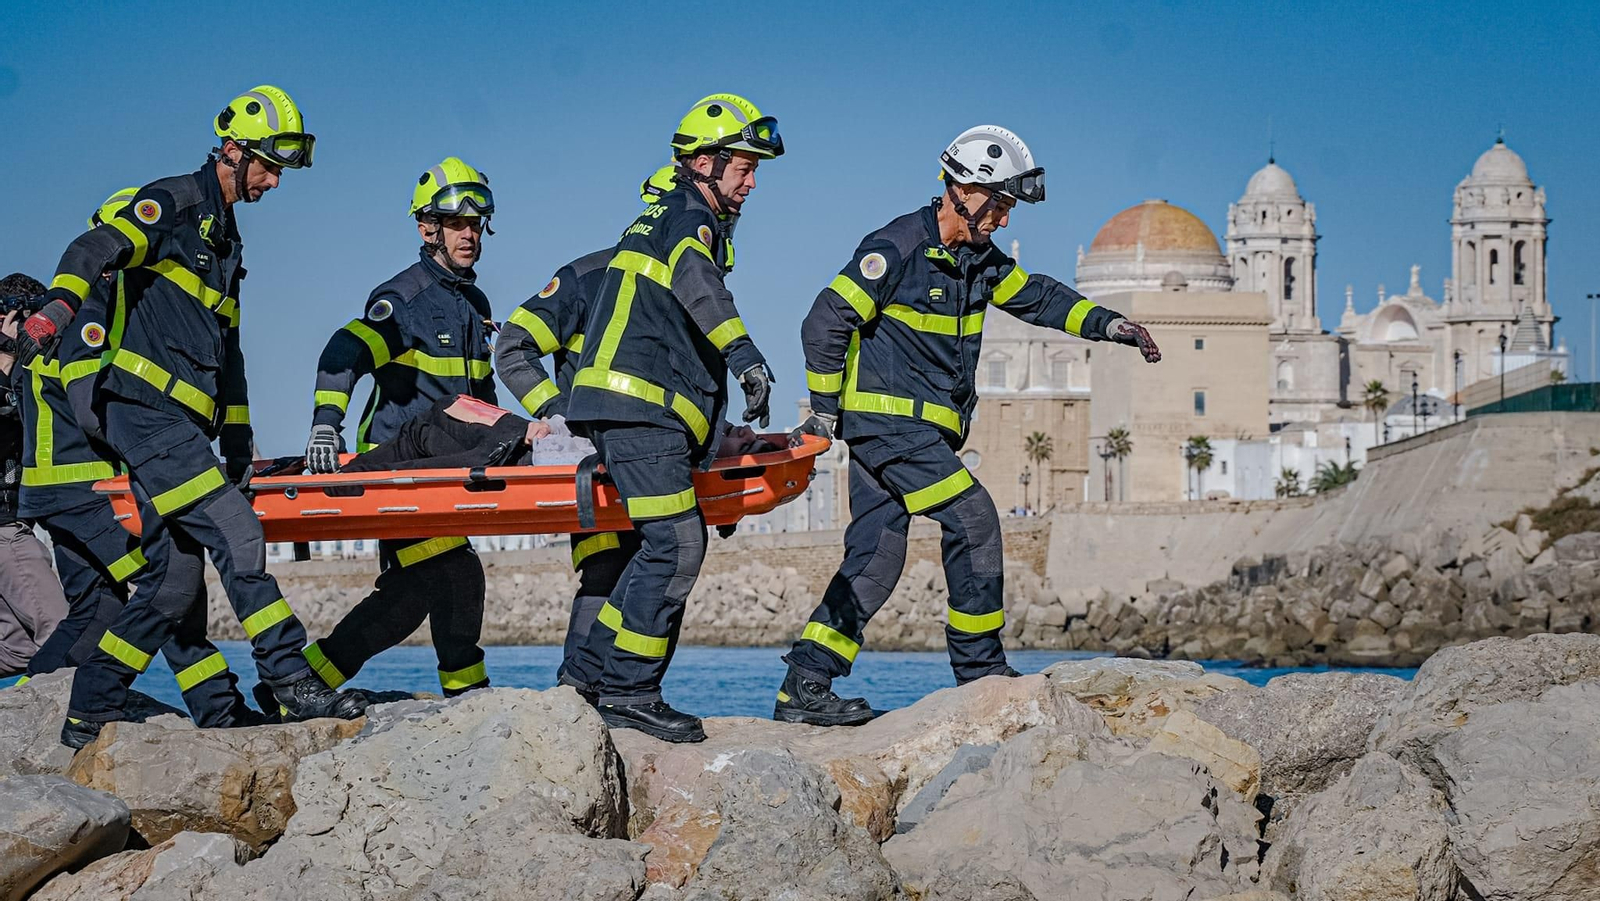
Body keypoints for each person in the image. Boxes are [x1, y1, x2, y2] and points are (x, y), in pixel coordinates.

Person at [776, 125, 1163, 725]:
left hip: (917, 435)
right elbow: (823, 321)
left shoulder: (978, 262)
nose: (1004, 221)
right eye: (1000, 205)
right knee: (974, 519)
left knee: (876, 556)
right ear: (963, 190)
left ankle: (804, 686)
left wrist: (1112, 326)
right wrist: (824, 413)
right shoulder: (897, 247)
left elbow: (1039, 297)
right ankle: (980, 672)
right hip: (888, 428)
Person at [21, 86, 367, 748]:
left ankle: (87, 711)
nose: (273, 181)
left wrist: (239, 444)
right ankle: (292, 680)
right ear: (232, 152)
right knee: (239, 537)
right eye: (267, 166)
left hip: (182, 426)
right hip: (141, 413)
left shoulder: (228, 243)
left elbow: (229, 355)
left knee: (172, 586)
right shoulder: (175, 203)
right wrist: (58, 308)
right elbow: (90, 249)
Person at [563, 94, 782, 742]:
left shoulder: (661, 218)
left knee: (661, 547)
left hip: (633, 412)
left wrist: (717, 436)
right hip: (637, 412)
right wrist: (747, 358)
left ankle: (587, 683)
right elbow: (697, 283)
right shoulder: (690, 218)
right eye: (743, 167)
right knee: (677, 545)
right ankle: (629, 690)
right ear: (705, 163)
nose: (751, 181)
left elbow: (674, 345)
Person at [12, 194, 260, 725]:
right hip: (83, 490)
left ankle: (30, 703)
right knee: (170, 584)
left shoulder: (86, 317)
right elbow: (89, 407)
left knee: (96, 609)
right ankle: (218, 709)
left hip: (59, 494)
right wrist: (149, 449)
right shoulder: (91, 316)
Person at [301, 157, 499, 697]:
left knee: (409, 596)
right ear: (427, 228)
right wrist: (325, 425)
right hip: (397, 468)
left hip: (448, 470)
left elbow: (481, 399)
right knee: (456, 575)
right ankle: (470, 700)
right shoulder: (405, 299)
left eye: (476, 224)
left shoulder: (473, 304)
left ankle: (303, 681)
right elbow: (343, 348)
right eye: (457, 224)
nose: (469, 235)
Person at [493, 168, 678, 697]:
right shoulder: (589, 279)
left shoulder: (690, 289)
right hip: (596, 464)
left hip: (659, 460)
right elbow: (512, 347)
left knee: (664, 574)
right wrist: (560, 416)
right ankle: (577, 698)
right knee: (605, 568)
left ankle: (628, 699)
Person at [0, 274, 68, 679]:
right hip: (5, 531)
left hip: (15, 524)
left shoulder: (28, 374)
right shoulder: (10, 371)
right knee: (62, 635)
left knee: (17, 650)